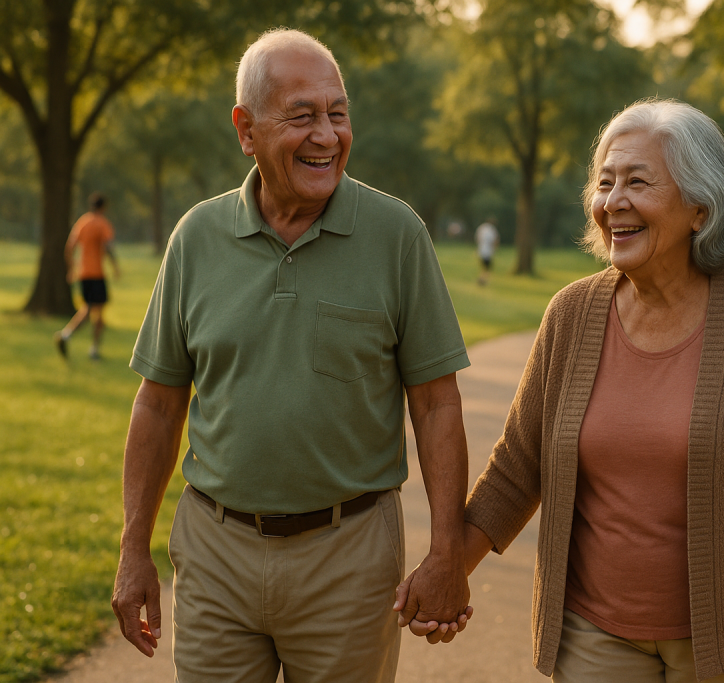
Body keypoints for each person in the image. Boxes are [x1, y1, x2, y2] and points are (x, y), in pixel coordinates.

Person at [397, 99, 724, 682]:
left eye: (638, 182)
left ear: (699, 207)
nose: (613, 202)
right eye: (605, 182)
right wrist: (447, 571)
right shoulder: (571, 314)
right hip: (594, 634)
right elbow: (518, 469)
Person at [111, 29, 473, 683]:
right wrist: (132, 547)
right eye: (302, 115)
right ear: (246, 130)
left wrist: (447, 549)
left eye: (338, 113)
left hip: (350, 554)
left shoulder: (398, 235)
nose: (327, 135)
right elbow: (159, 403)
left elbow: (437, 401)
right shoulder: (197, 237)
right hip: (216, 548)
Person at [55, 192, 120, 360]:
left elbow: (69, 247)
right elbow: (108, 246)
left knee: (94, 311)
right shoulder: (102, 223)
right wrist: (115, 267)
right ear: (103, 207)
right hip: (97, 273)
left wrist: (71, 269)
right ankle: (68, 337)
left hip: (83, 273)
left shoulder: (82, 222)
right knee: (93, 311)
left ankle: (91, 348)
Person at [475, 218, 499, 285]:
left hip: (481, 250)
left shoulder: (481, 228)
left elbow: (477, 238)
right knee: (487, 268)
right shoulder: (492, 230)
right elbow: (495, 240)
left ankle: (481, 278)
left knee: (483, 267)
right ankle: (483, 280)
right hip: (488, 252)